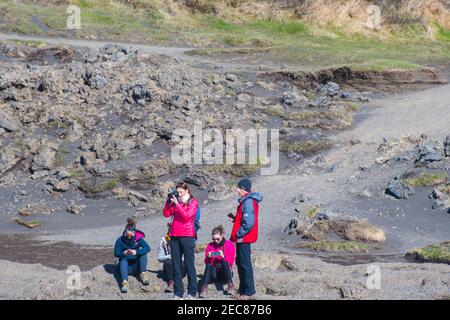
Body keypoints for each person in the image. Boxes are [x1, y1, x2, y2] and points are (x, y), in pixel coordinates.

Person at [163, 182, 199, 299]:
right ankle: (178, 292)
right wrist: (169, 202)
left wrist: (178, 204)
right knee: (176, 265)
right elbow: (166, 214)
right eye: (177, 192)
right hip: (174, 235)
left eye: (181, 192)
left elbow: (187, 216)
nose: (178, 194)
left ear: (187, 191)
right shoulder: (176, 201)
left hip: (188, 235)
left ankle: (192, 291)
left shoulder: (193, 202)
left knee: (189, 264)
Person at [229, 178, 262, 300]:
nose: (237, 190)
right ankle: (243, 290)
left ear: (244, 189)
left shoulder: (248, 202)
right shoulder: (246, 201)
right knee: (241, 262)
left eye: (239, 188)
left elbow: (249, 223)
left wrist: (238, 233)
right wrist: (235, 220)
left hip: (244, 238)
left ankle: (249, 292)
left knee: (244, 264)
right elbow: (245, 219)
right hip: (242, 238)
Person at [114, 219, 150, 293]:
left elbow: (147, 248)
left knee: (143, 254)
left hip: (137, 267)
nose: (129, 238)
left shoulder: (139, 239)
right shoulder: (120, 240)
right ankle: (125, 282)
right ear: (125, 232)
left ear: (134, 233)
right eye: (128, 236)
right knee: (123, 259)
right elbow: (116, 253)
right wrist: (123, 253)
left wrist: (136, 252)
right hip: (125, 268)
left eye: (131, 236)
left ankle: (143, 275)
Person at [199, 225, 236, 298]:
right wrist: (208, 257)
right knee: (209, 264)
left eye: (217, 239)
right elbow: (206, 262)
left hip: (225, 272)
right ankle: (204, 288)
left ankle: (230, 285)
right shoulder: (210, 245)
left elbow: (230, 262)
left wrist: (223, 256)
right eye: (214, 239)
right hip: (214, 272)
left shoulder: (229, 244)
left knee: (225, 262)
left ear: (222, 235)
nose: (215, 241)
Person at [158, 224, 187, 292]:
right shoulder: (163, 241)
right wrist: (170, 256)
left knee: (182, 264)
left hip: (180, 265)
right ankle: (171, 282)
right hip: (169, 266)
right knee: (168, 262)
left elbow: (186, 258)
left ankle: (178, 281)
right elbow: (160, 258)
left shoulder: (183, 240)